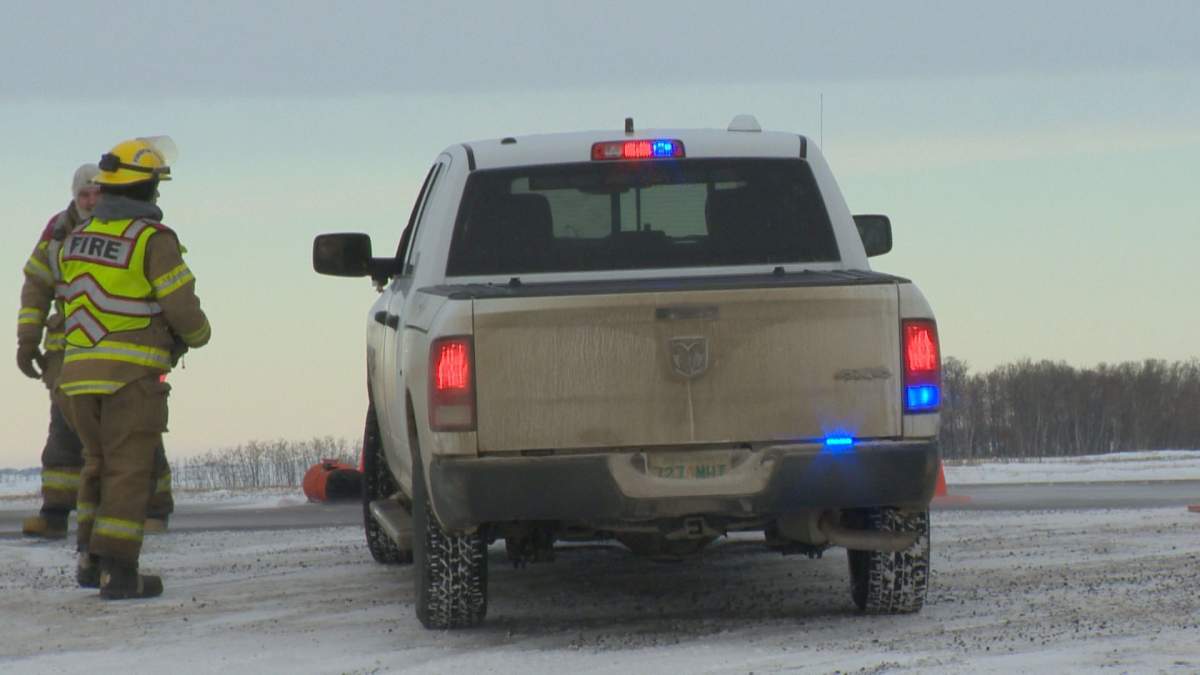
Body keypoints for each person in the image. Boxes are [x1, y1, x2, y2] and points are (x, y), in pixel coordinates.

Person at [56, 137, 211, 599]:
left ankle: (90, 559)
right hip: (129, 380)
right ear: (144, 189)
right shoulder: (152, 240)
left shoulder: (75, 240)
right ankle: (120, 572)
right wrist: (198, 335)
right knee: (128, 470)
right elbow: (182, 308)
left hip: (76, 379)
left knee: (97, 464)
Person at [17, 165, 176, 540]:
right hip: (69, 351)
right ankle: (55, 512)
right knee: (64, 429)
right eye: (83, 195)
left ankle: (154, 508)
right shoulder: (57, 233)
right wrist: (28, 339)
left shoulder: (132, 229)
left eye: (96, 193)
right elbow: (36, 287)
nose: (90, 201)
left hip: (125, 349)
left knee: (135, 428)